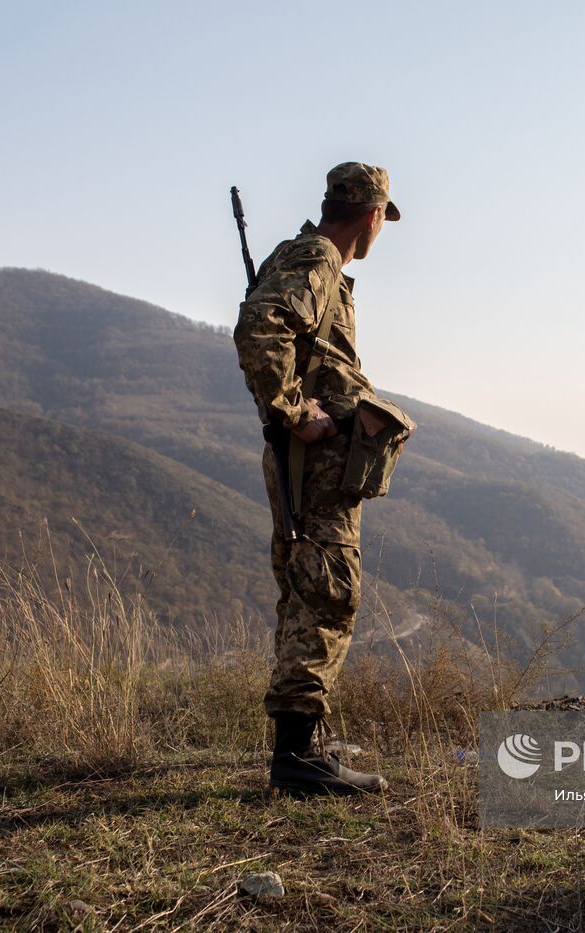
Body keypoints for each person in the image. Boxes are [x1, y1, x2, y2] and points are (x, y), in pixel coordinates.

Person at [233, 162, 400, 796]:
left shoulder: (310, 258)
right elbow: (262, 326)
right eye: (384, 220)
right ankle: (299, 761)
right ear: (374, 214)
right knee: (327, 590)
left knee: (309, 587)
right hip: (318, 461)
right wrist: (296, 413)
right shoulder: (317, 259)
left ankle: (300, 746)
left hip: (316, 460)